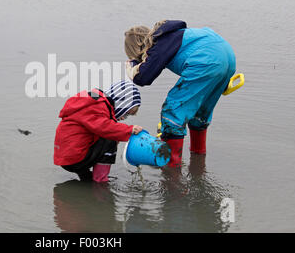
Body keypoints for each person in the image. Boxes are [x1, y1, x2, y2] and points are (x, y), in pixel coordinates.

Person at [124, 20, 236, 168]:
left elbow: (143, 78)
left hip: (206, 61)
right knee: (199, 114)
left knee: (172, 112)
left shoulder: (159, 44)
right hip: (226, 55)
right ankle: (198, 160)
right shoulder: (173, 34)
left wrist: (132, 68)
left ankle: (171, 168)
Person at [54, 80, 143, 182]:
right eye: (126, 113)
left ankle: (86, 177)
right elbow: (105, 127)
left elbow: (98, 127)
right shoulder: (98, 106)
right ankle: (100, 180)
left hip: (64, 155)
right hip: (74, 158)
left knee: (106, 134)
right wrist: (129, 130)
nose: (123, 118)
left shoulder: (92, 100)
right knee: (110, 139)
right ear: (120, 103)